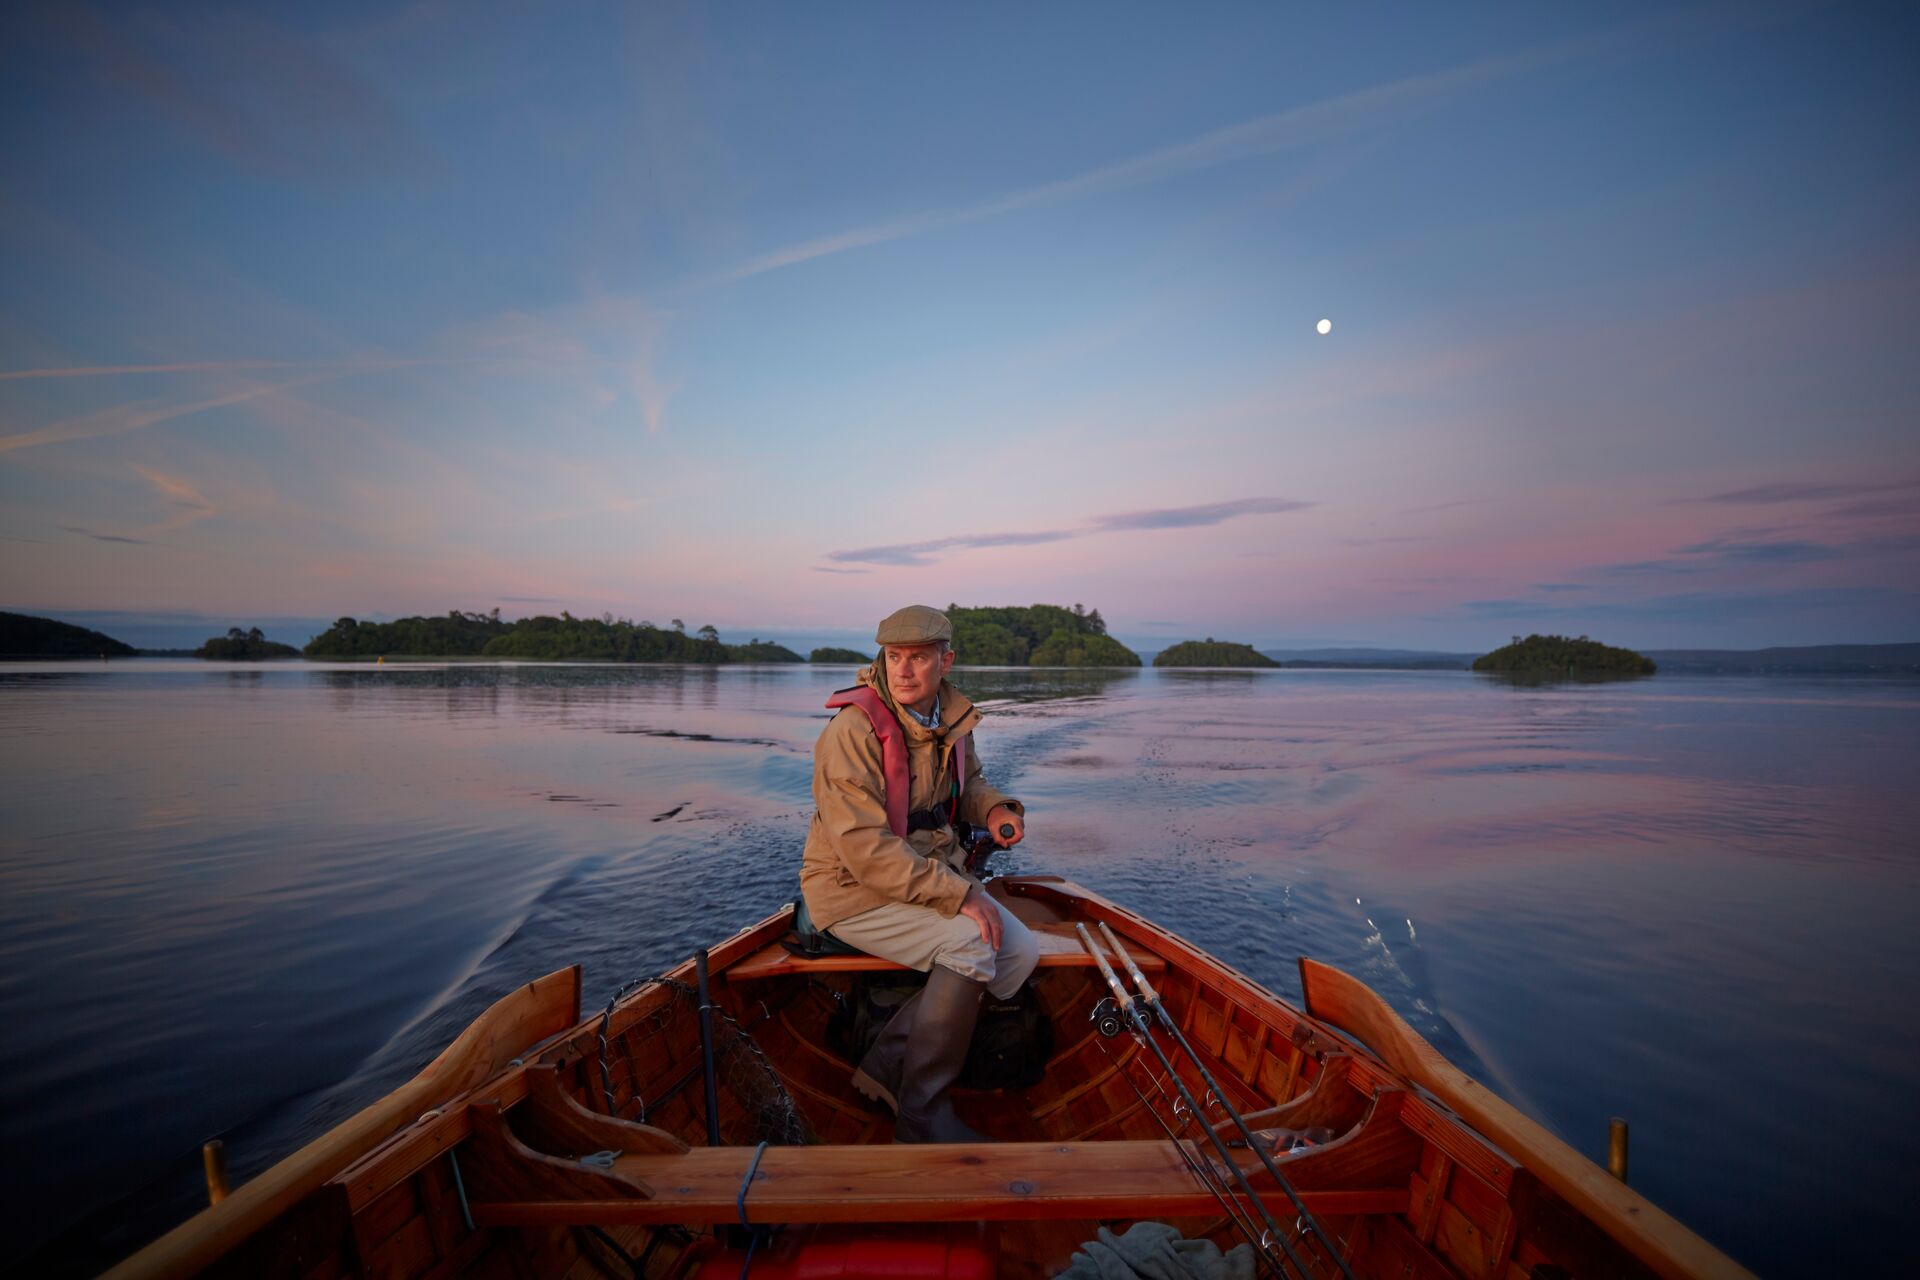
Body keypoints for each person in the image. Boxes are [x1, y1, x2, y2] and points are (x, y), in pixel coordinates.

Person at [800, 604, 1038, 1143]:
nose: (903, 670)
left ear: (945, 661)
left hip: (925, 873)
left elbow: (968, 785)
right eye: (894, 656)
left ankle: (887, 1060)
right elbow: (864, 850)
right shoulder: (852, 732)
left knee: (1020, 954)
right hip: (850, 890)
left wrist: (997, 808)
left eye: (919, 658)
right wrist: (960, 896)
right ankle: (921, 1111)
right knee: (971, 945)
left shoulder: (950, 720)